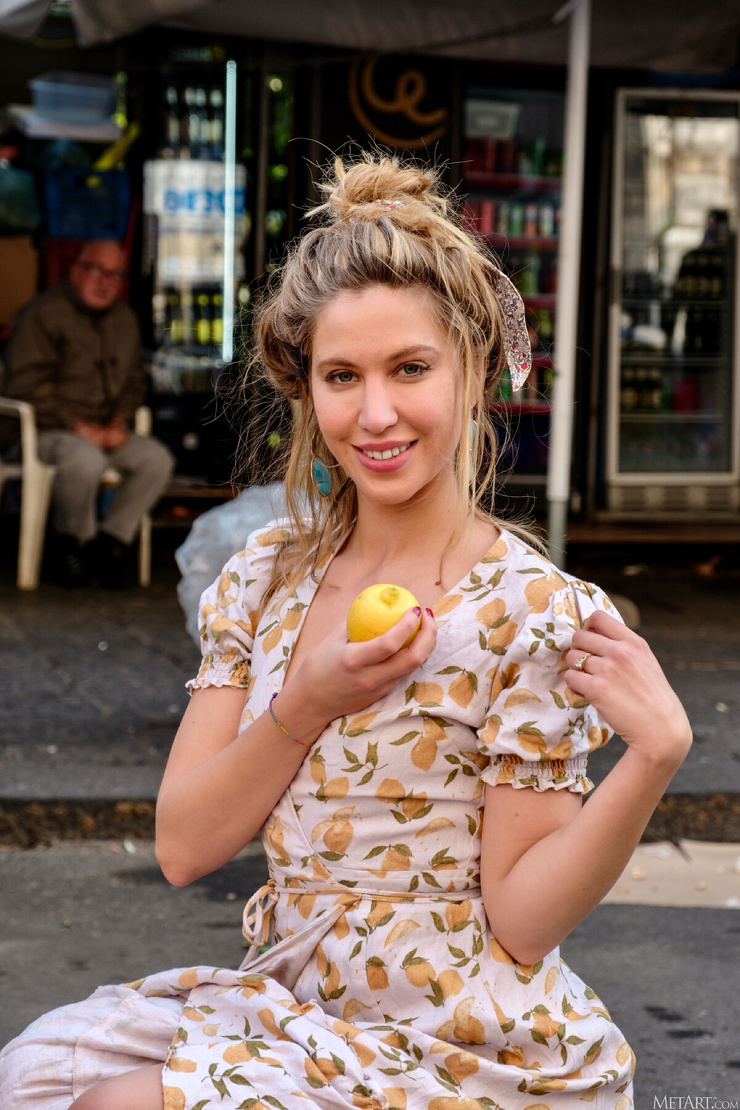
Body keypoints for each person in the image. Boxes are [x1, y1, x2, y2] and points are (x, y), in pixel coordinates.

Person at [0, 155, 692, 1109]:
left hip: (461, 1042)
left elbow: (524, 923)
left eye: (411, 368)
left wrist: (654, 758)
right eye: (341, 376)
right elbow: (183, 847)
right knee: (36, 1080)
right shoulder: (265, 580)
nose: (374, 414)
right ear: (307, 389)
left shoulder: (531, 613)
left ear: (474, 368)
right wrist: (309, 700)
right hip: (293, 1008)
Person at [3, 239, 174, 587]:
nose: (105, 281)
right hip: (41, 432)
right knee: (84, 459)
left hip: (104, 430)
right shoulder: (42, 315)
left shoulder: (124, 319)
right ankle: (73, 545)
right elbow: (26, 387)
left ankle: (109, 544)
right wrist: (79, 427)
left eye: (115, 274)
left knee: (156, 459)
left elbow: (135, 382)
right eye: (97, 270)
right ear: (75, 271)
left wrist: (118, 422)